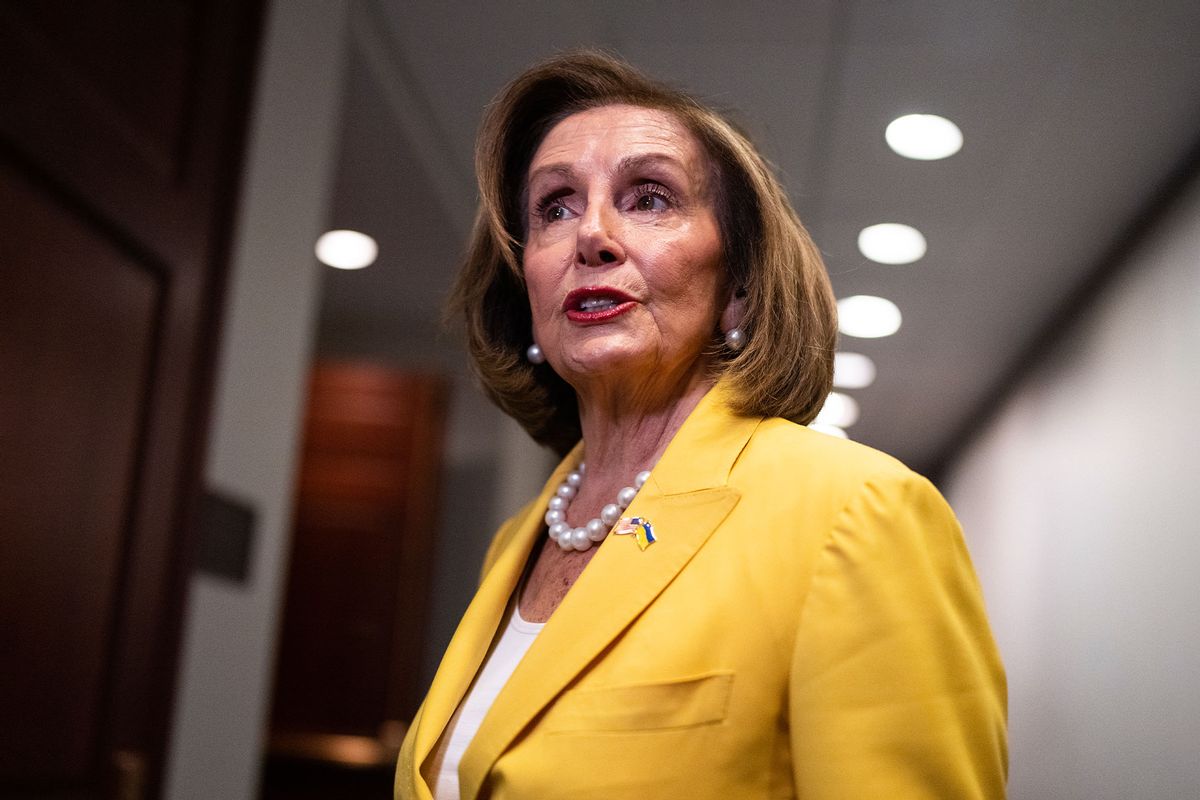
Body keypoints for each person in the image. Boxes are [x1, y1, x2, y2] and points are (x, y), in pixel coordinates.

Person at [395, 51, 1006, 800]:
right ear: (527, 287)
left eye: (648, 198)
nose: (592, 234)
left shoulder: (856, 510)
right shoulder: (515, 543)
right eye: (554, 207)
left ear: (739, 287)